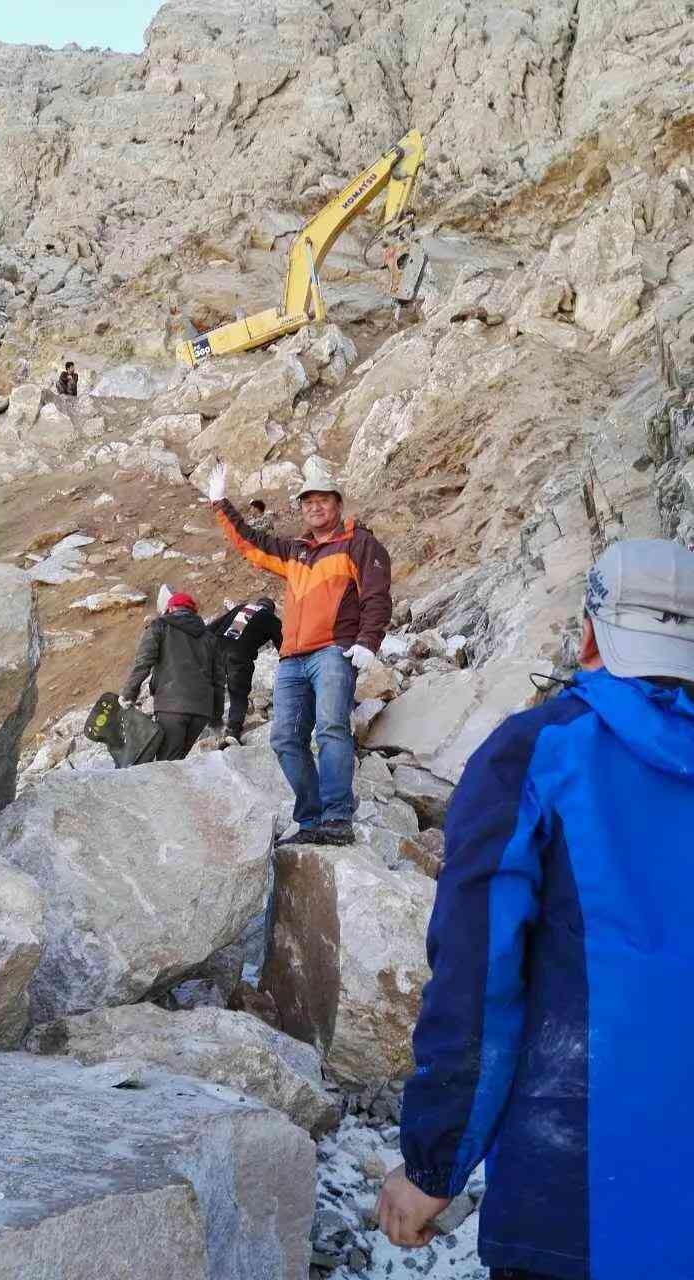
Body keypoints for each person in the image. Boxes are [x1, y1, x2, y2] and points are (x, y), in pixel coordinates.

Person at [377, 537, 694, 1280]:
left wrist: (434, 1164)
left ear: (589, 635)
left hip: (576, 1183)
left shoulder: (537, 753)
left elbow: (479, 977)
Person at [209, 458, 392, 845]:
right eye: (308, 501)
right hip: (292, 659)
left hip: (333, 653)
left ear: (337, 502)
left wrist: (367, 641)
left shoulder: (359, 543)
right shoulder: (297, 551)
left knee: (331, 729)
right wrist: (220, 504)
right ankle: (310, 820)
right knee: (284, 740)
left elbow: (376, 596)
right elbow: (252, 545)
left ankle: (337, 818)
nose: (314, 507)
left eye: (322, 499)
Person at [119, 591, 219, 761]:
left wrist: (128, 694)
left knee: (167, 763)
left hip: (172, 706)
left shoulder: (160, 626)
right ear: (193, 611)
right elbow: (218, 678)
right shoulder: (209, 636)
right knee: (177, 761)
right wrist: (216, 716)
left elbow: (143, 662)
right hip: (202, 710)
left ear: (171, 608)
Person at [208, 596, 282, 744]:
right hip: (239, 657)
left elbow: (210, 628)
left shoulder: (242, 607)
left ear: (257, 604)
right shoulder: (271, 619)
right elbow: (282, 646)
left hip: (215, 651)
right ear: (271, 610)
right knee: (238, 694)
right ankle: (232, 731)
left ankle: (215, 724)